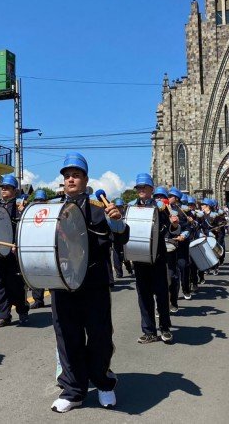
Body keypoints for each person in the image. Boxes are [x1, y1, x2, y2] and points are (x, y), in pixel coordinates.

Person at [49, 153, 127, 413]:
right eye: (67, 176)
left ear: (85, 179)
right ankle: (74, 390)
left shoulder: (99, 208)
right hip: (62, 282)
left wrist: (116, 222)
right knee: (67, 337)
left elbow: (121, 238)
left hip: (94, 281)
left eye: (76, 175)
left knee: (99, 335)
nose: (71, 179)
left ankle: (103, 384)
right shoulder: (52, 209)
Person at [134, 175, 177, 344]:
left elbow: (172, 228)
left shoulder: (160, 208)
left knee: (161, 294)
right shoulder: (132, 208)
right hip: (139, 259)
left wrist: (174, 223)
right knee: (143, 296)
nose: (141, 190)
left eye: (145, 187)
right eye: (139, 187)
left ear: (152, 189)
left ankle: (165, 328)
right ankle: (149, 331)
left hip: (158, 257)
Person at [0, 175, 29, 328]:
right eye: (3, 187)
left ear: (14, 190)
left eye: (7, 187)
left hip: (13, 251)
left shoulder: (21, 206)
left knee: (16, 283)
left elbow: (25, 227)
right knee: (0, 283)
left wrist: (17, 244)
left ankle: (22, 311)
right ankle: (3, 315)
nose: (4, 190)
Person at [29, 189, 49, 309]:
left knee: (51, 272)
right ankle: (38, 300)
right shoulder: (31, 213)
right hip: (34, 247)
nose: (39, 202)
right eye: (37, 200)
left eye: (41, 200)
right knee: (36, 273)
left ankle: (56, 299)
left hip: (48, 246)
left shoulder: (51, 212)